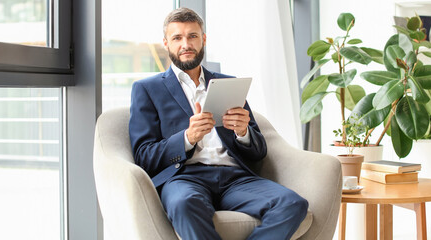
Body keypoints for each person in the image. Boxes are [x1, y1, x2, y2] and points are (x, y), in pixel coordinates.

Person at [129, 7, 308, 240]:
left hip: (236, 178)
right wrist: (187, 138)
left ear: (203, 39)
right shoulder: (147, 89)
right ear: (166, 43)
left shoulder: (228, 83)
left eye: (193, 36)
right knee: (184, 204)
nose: (186, 44)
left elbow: (259, 151)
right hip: (184, 178)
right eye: (177, 38)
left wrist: (243, 132)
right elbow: (143, 156)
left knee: (293, 204)